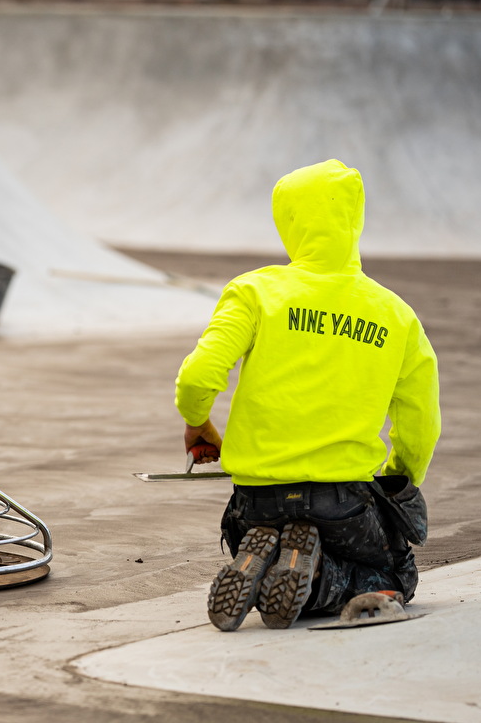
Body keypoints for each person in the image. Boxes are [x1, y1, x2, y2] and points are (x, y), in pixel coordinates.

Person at [175, 159, 440, 631]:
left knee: (266, 540)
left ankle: (264, 552)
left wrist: (199, 424)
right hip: (343, 502)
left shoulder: (255, 291)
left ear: (287, 223)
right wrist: (398, 479)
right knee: (394, 573)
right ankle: (314, 573)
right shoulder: (397, 315)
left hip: (256, 501)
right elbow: (421, 423)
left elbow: (198, 376)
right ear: (354, 220)